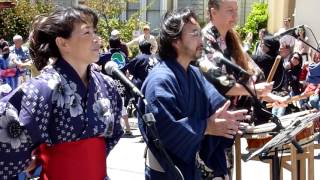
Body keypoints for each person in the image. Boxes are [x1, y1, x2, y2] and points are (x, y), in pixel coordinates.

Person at [0, 6, 123, 180]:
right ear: (63, 43)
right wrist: (31, 160)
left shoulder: (107, 85)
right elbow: (7, 136)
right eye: (87, 33)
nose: (97, 39)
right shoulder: (42, 88)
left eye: (95, 31)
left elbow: (114, 133)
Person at [138, 8, 249, 180]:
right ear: (176, 40)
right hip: (167, 172)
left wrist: (229, 120)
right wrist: (207, 127)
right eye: (195, 33)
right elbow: (165, 129)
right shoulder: (160, 81)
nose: (201, 39)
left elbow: (215, 105)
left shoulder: (195, 73)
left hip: (192, 169)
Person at [201, 0, 288, 178]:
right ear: (213, 12)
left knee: (225, 172)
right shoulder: (205, 39)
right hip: (212, 119)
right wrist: (255, 90)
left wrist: (268, 95)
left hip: (230, 123)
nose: (235, 15)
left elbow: (251, 72)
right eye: (229, 11)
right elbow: (218, 81)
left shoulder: (232, 39)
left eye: (236, 10)